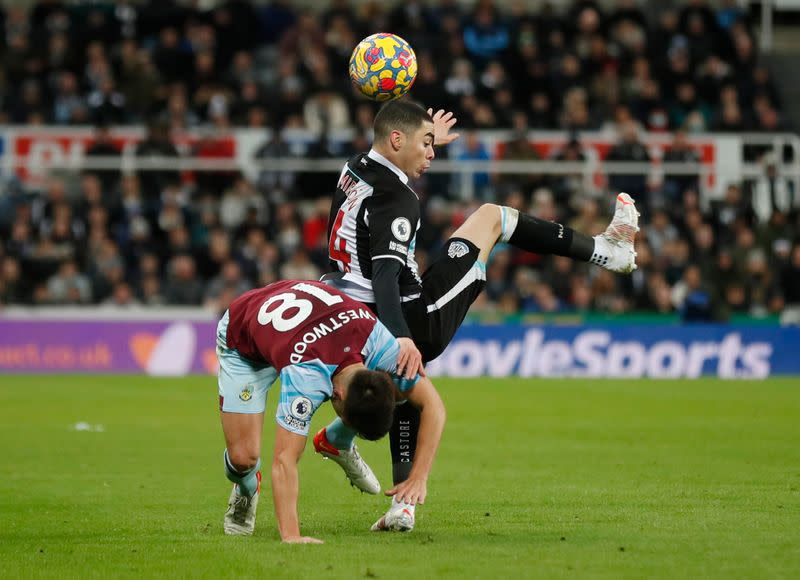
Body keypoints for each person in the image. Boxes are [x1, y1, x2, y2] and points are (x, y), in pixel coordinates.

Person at [320, 99, 640, 531]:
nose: (432, 153)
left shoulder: (355, 166)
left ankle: (366, 466)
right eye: (426, 144)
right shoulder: (398, 199)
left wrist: (420, 131)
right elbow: (384, 275)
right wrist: (402, 336)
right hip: (413, 316)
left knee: (401, 387)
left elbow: (388, 138)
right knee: (493, 218)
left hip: (352, 313)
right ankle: (610, 252)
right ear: (397, 140)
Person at [217, 279, 445, 542]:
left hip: (297, 318)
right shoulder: (307, 377)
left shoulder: (378, 340)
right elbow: (284, 460)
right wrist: (292, 537)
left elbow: (434, 406)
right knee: (243, 458)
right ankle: (247, 486)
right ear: (335, 395)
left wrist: (418, 477)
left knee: (406, 386)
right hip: (243, 340)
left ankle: (337, 440)